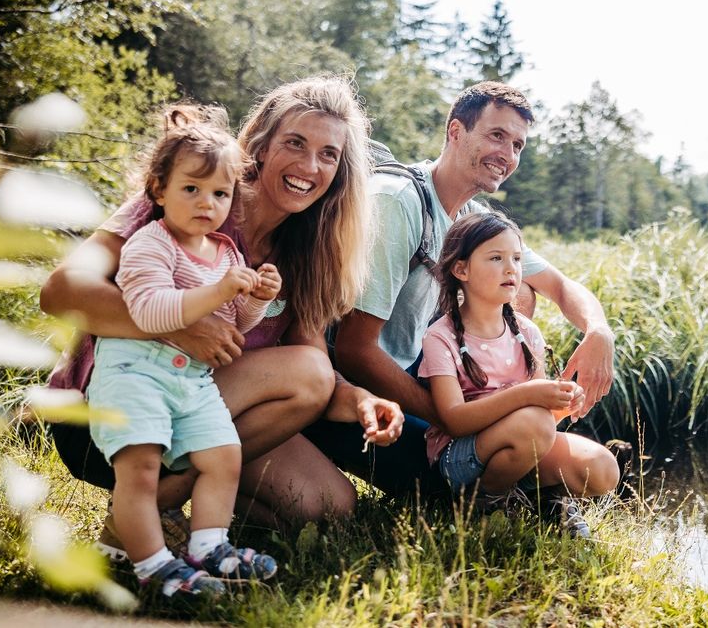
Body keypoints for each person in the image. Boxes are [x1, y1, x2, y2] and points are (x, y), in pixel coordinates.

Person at [40, 78, 403, 578]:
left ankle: (188, 515)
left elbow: (317, 377)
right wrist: (178, 330)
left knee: (327, 505)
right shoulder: (197, 195)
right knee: (308, 373)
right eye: (295, 143)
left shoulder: (306, 252)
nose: (308, 167)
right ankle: (141, 517)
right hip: (110, 409)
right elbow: (60, 291)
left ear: (340, 174)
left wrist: (362, 401)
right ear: (259, 146)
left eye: (328, 155)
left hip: (198, 408)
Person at [321, 82, 617, 517]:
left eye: (517, 144)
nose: (508, 154)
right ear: (455, 131)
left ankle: (520, 471)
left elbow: (557, 285)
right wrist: (459, 419)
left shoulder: (474, 220)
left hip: (436, 386)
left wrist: (599, 331)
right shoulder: (399, 202)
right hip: (360, 394)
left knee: (593, 468)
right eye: (496, 135)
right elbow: (354, 351)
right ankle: (494, 488)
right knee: (449, 483)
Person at [87, 108, 280, 595]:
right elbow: (151, 313)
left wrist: (257, 299)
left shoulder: (226, 253)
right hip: (135, 375)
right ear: (158, 190)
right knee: (141, 470)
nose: (206, 203)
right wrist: (219, 293)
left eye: (219, 193)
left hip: (191, 380)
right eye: (191, 189)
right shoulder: (148, 244)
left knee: (223, 454)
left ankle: (209, 546)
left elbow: (232, 325)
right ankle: (153, 566)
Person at [419, 212, 619, 535]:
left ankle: (537, 494)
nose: (511, 268)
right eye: (496, 258)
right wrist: (528, 395)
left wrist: (563, 403)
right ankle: (484, 503)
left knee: (604, 469)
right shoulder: (440, 337)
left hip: (522, 445)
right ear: (461, 269)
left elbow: (542, 423)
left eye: (516, 258)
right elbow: (453, 419)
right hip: (460, 460)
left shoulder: (526, 333)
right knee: (534, 424)